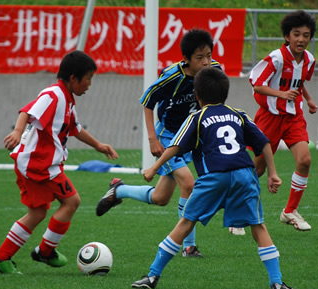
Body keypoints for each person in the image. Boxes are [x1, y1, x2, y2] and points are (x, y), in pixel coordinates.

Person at [131, 67, 293, 289]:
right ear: (225, 94)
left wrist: (154, 167)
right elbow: (264, 143)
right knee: (258, 226)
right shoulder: (238, 114)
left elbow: (175, 146)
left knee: (186, 223)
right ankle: (277, 282)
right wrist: (273, 173)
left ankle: (152, 276)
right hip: (245, 175)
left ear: (197, 95)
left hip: (214, 176)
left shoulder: (196, 117)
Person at [96, 28, 233, 259]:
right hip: (168, 137)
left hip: (191, 137)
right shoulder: (172, 77)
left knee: (160, 198)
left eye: (209, 55)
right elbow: (148, 102)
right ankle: (188, 246)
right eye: (199, 58)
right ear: (186, 59)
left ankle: (119, 189)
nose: (206, 62)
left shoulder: (214, 71)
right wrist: (152, 138)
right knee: (188, 184)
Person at [0, 50, 119, 274]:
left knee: (37, 213)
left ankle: (1, 257)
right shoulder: (53, 95)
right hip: (39, 165)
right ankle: (46, 251)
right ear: (73, 78)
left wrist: (98, 145)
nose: (89, 84)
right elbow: (27, 112)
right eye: (88, 78)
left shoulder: (68, 99)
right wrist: (18, 132)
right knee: (72, 201)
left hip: (36, 163)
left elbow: (75, 128)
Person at [248, 10, 318, 231]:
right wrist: (281, 94)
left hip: (293, 117)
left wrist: (308, 100)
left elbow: (299, 82)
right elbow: (257, 84)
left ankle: (289, 212)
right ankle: (237, 208)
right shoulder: (277, 58)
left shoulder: (309, 60)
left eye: (306, 35)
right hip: (270, 117)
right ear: (287, 36)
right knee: (256, 170)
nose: (301, 39)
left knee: (305, 160)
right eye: (296, 34)